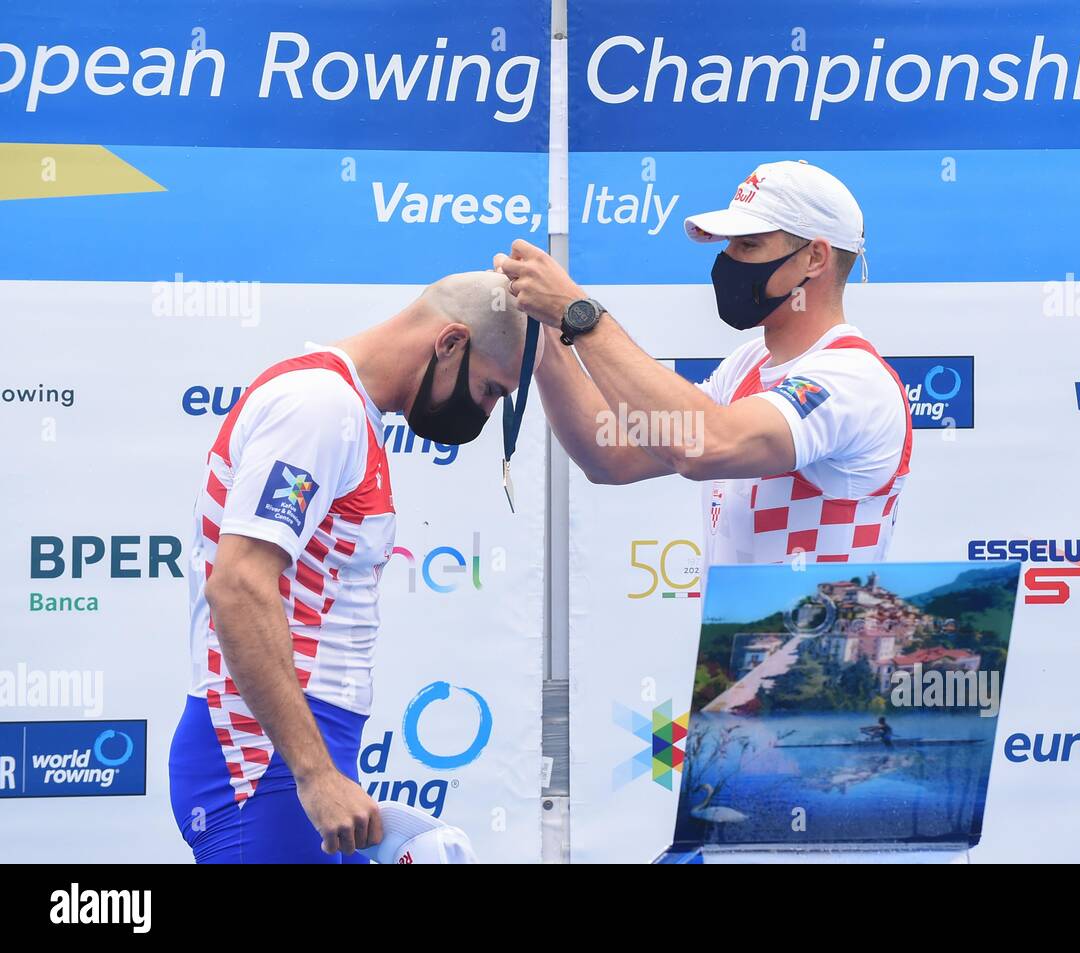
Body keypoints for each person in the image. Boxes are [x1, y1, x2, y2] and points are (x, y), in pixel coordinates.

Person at [168, 272, 539, 863]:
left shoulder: (347, 411)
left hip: (294, 747)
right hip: (259, 756)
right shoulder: (319, 408)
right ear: (450, 343)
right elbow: (237, 586)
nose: (487, 411)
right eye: (491, 390)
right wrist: (314, 773)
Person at [496, 159, 911, 569]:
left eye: (748, 245)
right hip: (738, 618)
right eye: (728, 245)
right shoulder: (748, 363)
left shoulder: (853, 379)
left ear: (815, 258)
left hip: (823, 617)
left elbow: (704, 445)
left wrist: (579, 314)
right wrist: (545, 330)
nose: (727, 260)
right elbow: (611, 453)